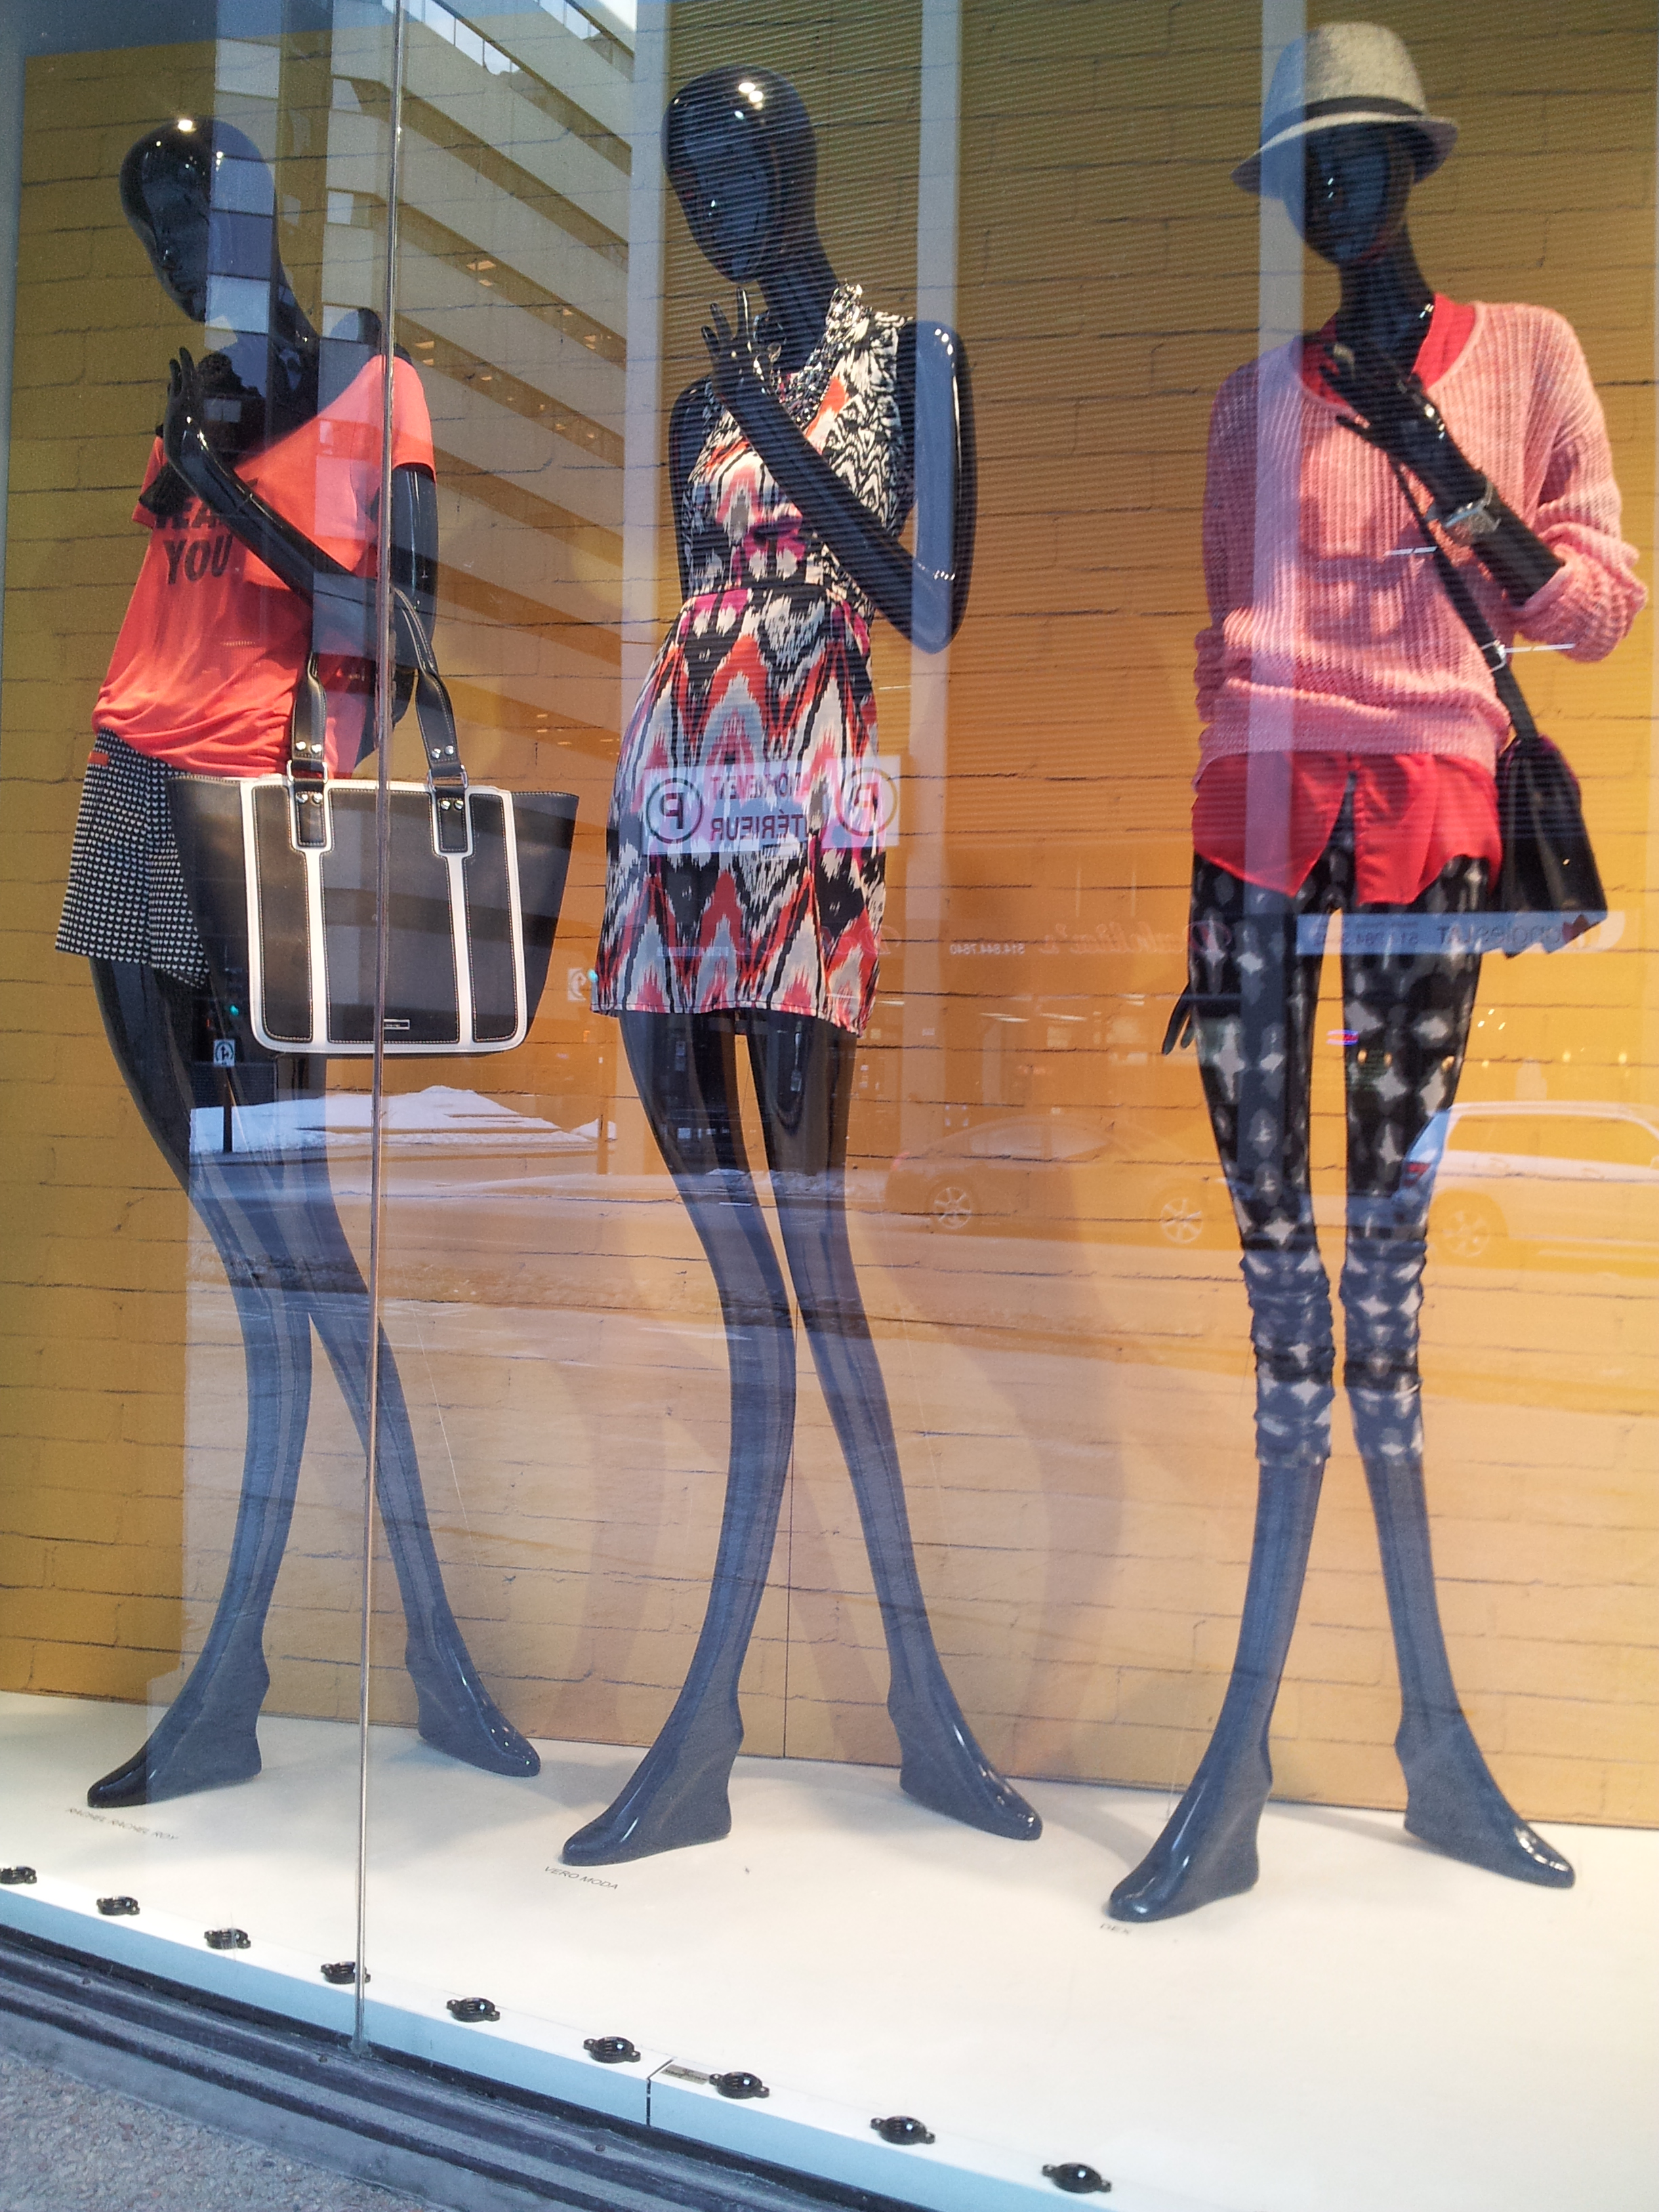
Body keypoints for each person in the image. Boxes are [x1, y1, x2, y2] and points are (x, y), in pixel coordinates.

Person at [1109, 24, 1643, 1922]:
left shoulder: (1529, 354)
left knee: (1387, 1295)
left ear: (1412, 167)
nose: (1330, 189)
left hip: (1434, 838)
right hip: (1254, 835)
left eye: (1358, 156)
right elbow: (1226, 628)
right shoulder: (1252, 400)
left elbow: (1596, 611)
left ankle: (1431, 1749)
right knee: (1280, 1291)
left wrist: (1435, 458)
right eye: (1302, 167)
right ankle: (1241, 1772)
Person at [567, 64, 1040, 1865]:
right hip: (683, 783)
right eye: (687, 179)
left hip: (811, 790)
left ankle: (850, 1717)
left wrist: (780, 436)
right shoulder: (700, 393)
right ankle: (758, 1727)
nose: (712, 205)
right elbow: (703, 598)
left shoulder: (908, 360)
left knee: (813, 1267)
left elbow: (928, 607)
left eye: (733, 166)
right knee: (753, 1292)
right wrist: (742, 421)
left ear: (798, 162)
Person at [57, 119, 537, 1808]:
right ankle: (327, 1669)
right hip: (132, 793)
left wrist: (219, 496)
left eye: (196, 205)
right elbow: (169, 630)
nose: (177, 243)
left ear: (265, 206)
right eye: (154, 224)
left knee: (302, 1258)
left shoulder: (370, 389)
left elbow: (388, 638)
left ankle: (357, 1661)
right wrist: (190, 472)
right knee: (263, 1266)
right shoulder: (196, 400)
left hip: (268, 819)